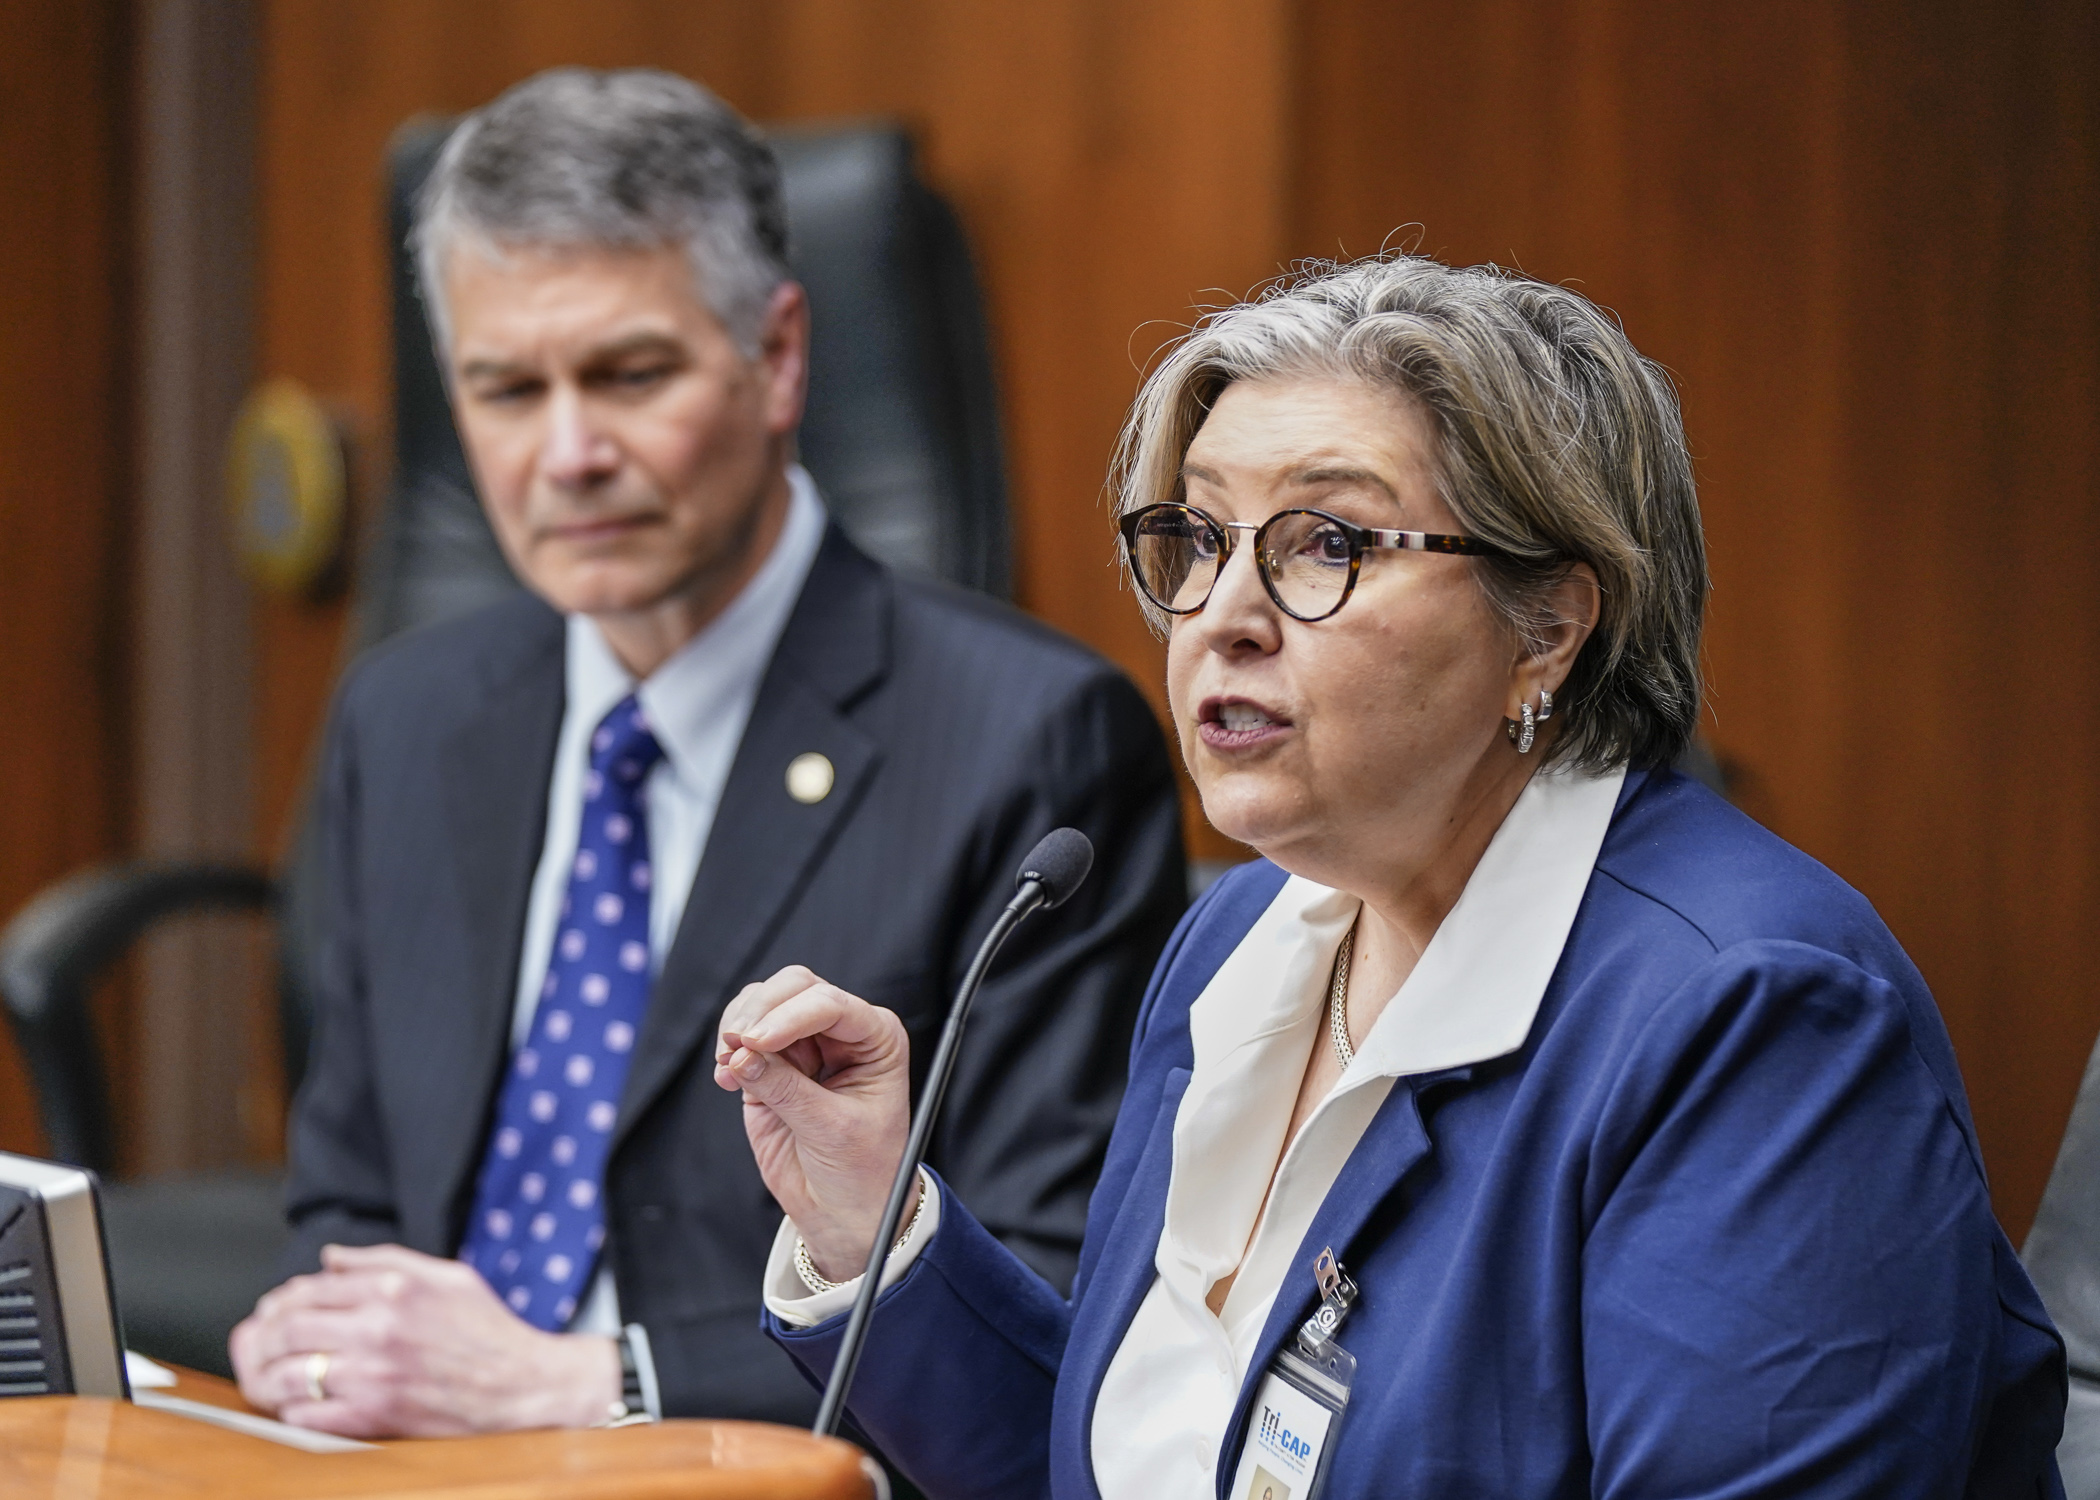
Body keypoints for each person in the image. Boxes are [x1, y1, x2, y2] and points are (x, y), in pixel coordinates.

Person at [717, 253, 2068, 1496]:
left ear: (1549, 628)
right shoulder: (1242, 938)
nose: (1225, 619)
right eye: (1199, 539)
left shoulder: (1755, 1022)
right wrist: (869, 1229)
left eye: (1327, 544)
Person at [226, 67, 1186, 1439]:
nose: (568, 453)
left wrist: (596, 1384)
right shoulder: (408, 712)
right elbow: (347, 1204)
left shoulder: (1031, 741)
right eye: (504, 389)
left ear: (779, 356)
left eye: (630, 373)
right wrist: (325, 1361)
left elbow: (1040, 1289)